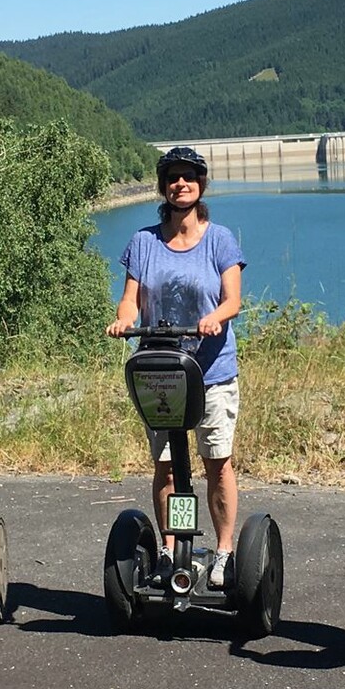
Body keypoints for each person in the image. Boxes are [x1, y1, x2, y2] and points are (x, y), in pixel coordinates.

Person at [106, 146, 247, 588]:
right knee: (166, 465)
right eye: (173, 178)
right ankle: (170, 549)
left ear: (201, 185)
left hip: (211, 371)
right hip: (160, 371)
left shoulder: (219, 239)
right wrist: (125, 318)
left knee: (216, 462)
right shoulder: (144, 242)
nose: (180, 184)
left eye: (188, 177)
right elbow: (131, 297)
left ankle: (224, 551)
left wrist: (215, 318)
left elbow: (233, 300)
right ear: (163, 186)